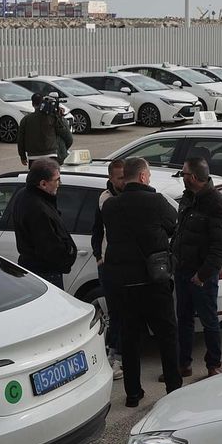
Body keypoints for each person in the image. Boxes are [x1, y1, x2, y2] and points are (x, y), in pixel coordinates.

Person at [100, 156, 181, 406]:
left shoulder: (110, 206)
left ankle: (133, 394)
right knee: (167, 337)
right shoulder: (155, 201)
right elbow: (173, 224)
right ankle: (173, 389)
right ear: (144, 176)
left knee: (130, 339)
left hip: (124, 285)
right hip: (154, 281)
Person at [172, 156, 222, 379]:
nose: (182, 178)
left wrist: (203, 274)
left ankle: (213, 364)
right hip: (182, 271)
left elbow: (220, 246)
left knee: (209, 321)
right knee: (183, 319)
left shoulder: (217, 204)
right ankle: (183, 364)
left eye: (184, 174)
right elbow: (181, 231)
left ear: (195, 177)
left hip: (202, 276)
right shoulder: (187, 199)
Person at [12, 157, 77, 288]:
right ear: (43, 184)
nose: (60, 183)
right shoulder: (37, 208)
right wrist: (68, 252)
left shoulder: (26, 195)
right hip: (45, 273)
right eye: (56, 180)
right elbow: (49, 247)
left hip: (36, 270)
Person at [90, 158, 127, 374]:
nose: (123, 181)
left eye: (126, 176)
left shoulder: (134, 197)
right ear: (111, 178)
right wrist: (98, 255)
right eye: (120, 177)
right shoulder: (103, 199)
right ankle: (116, 354)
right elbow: (96, 230)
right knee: (114, 313)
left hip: (129, 266)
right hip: (108, 265)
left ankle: (122, 354)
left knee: (127, 313)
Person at [18, 92, 72, 165]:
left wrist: (22, 156)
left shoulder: (26, 119)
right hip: (51, 154)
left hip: (33, 156)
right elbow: (66, 134)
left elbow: (21, 139)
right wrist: (59, 116)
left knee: (36, 175)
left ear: (32, 104)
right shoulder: (51, 117)